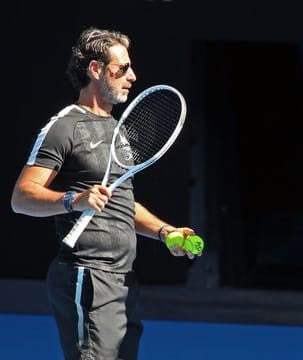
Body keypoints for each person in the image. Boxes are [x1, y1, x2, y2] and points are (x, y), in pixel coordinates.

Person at [11, 27, 199, 360]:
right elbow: (22, 198)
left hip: (123, 280)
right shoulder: (64, 127)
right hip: (87, 276)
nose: (132, 76)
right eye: (122, 68)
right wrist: (72, 199)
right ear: (95, 69)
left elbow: (122, 201)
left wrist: (165, 231)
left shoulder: (117, 129)